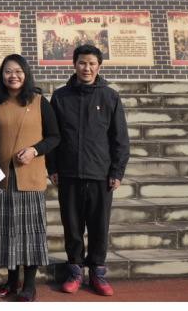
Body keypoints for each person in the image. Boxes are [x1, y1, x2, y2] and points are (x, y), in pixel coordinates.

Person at [48, 45, 130, 297]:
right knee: (72, 227)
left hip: (100, 175)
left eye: (92, 63)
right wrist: (53, 168)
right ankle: (75, 271)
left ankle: (97, 272)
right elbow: (52, 136)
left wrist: (116, 171)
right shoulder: (60, 97)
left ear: (99, 66)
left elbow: (120, 139)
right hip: (69, 173)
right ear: (74, 65)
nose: (87, 68)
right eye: (82, 63)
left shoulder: (110, 97)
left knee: (98, 227)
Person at [0, 54, 60, 302]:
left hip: (30, 177)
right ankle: (12, 280)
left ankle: (29, 285)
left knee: (30, 233)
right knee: (7, 232)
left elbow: (54, 136)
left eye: (18, 71)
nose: (13, 76)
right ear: (1, 75)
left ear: (26, 73)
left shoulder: (38, 101)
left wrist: (35, 150)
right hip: (2, 177)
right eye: (8, 71)